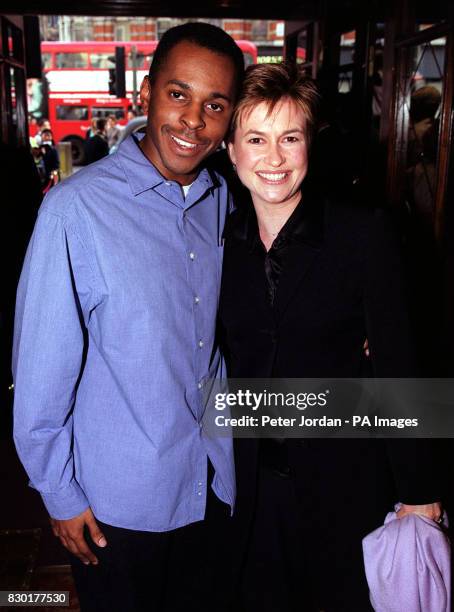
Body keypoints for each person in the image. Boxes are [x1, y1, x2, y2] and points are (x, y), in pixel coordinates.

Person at [13, 22, 243, 612]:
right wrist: (59, 494)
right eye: (178, 94)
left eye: (214, 104)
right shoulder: (76, 208)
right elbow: (41, 373)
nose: (193, 120)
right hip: (119, 507)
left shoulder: (222, 199)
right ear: (146, 92)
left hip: (213, 486)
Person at [218, 63, 442, 612]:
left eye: (289, 138)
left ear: (309, 144)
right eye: (256, 139)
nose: (274, 158)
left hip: (346, 482)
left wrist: (419, 490)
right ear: (230, 150)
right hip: (245, 486)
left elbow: (401, 365)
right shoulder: (216, 237)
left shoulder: (363, 234)